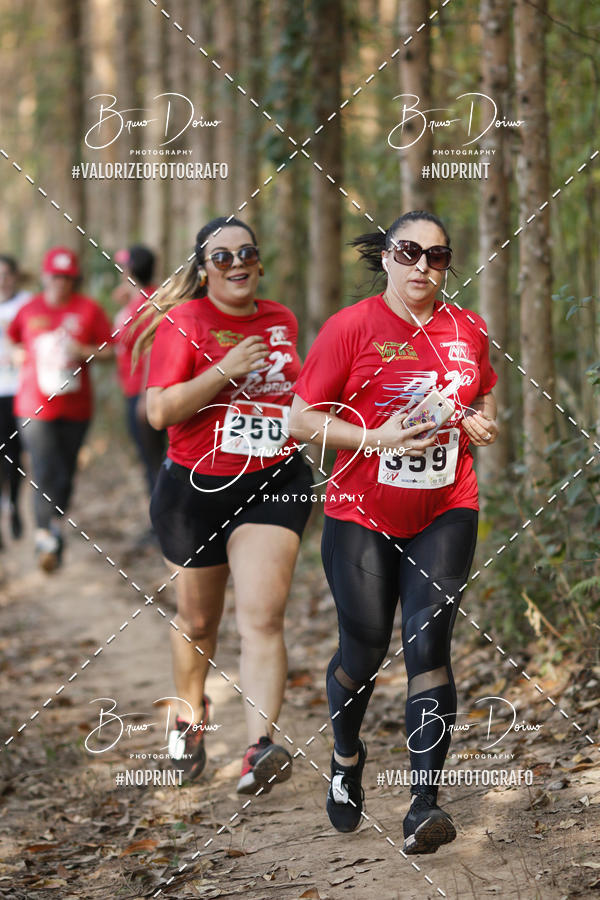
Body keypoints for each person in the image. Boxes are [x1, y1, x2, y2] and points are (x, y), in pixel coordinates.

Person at [289, 210, 499, 853]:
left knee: (428, 645)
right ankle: (347, 755)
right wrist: (376, 437)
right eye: (409, 252)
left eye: (438, 257)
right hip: (361, 512)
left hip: (446, 505)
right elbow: (301, 420)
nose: (423, 268)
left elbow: (482, 394)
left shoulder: (467, 329)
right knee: (366, 648)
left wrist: (478, 422)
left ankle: (423, 806)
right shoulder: (350, 329)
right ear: (386, 256)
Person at [137, 216, 313, 792]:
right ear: (204, 270)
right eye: (222, 256)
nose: (236, 263)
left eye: (247, 252)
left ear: (259, 263)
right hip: (195, 488)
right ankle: (189, 720)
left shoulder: (282, 319)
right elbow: (160, 412)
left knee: (262, 618)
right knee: (198, 623)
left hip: (273, 479)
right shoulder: (184, 323)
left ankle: (260, 748)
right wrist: (223, 370)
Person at [8, 247, 114, 572]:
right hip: (33, 406)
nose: (60, 284)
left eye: (67, 278)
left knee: (65, 473)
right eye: (55, 277)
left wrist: (82, 350)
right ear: (44, 276)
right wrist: (18, 354)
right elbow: (14, 339)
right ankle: (45, 537)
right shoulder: (29, 309)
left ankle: (55, 522)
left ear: (75, 279)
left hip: (76, 406)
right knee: (43, 468)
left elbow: (111, 350)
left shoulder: (89, 309)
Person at [113, 245, 165, 496]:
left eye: (123, 266)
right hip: (136, 390)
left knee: (153, 461)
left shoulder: (147, 303)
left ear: (130, 270)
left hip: (143, 394)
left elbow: (152, 349)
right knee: (151, 461)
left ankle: (161, 525)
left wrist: (146, 397)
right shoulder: (142, 300)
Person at [0, 255, 30, 546]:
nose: (2, 279)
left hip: (18, 391)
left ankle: (14, 506)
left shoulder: (27, 304)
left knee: (13, 455)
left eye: (6, 273)